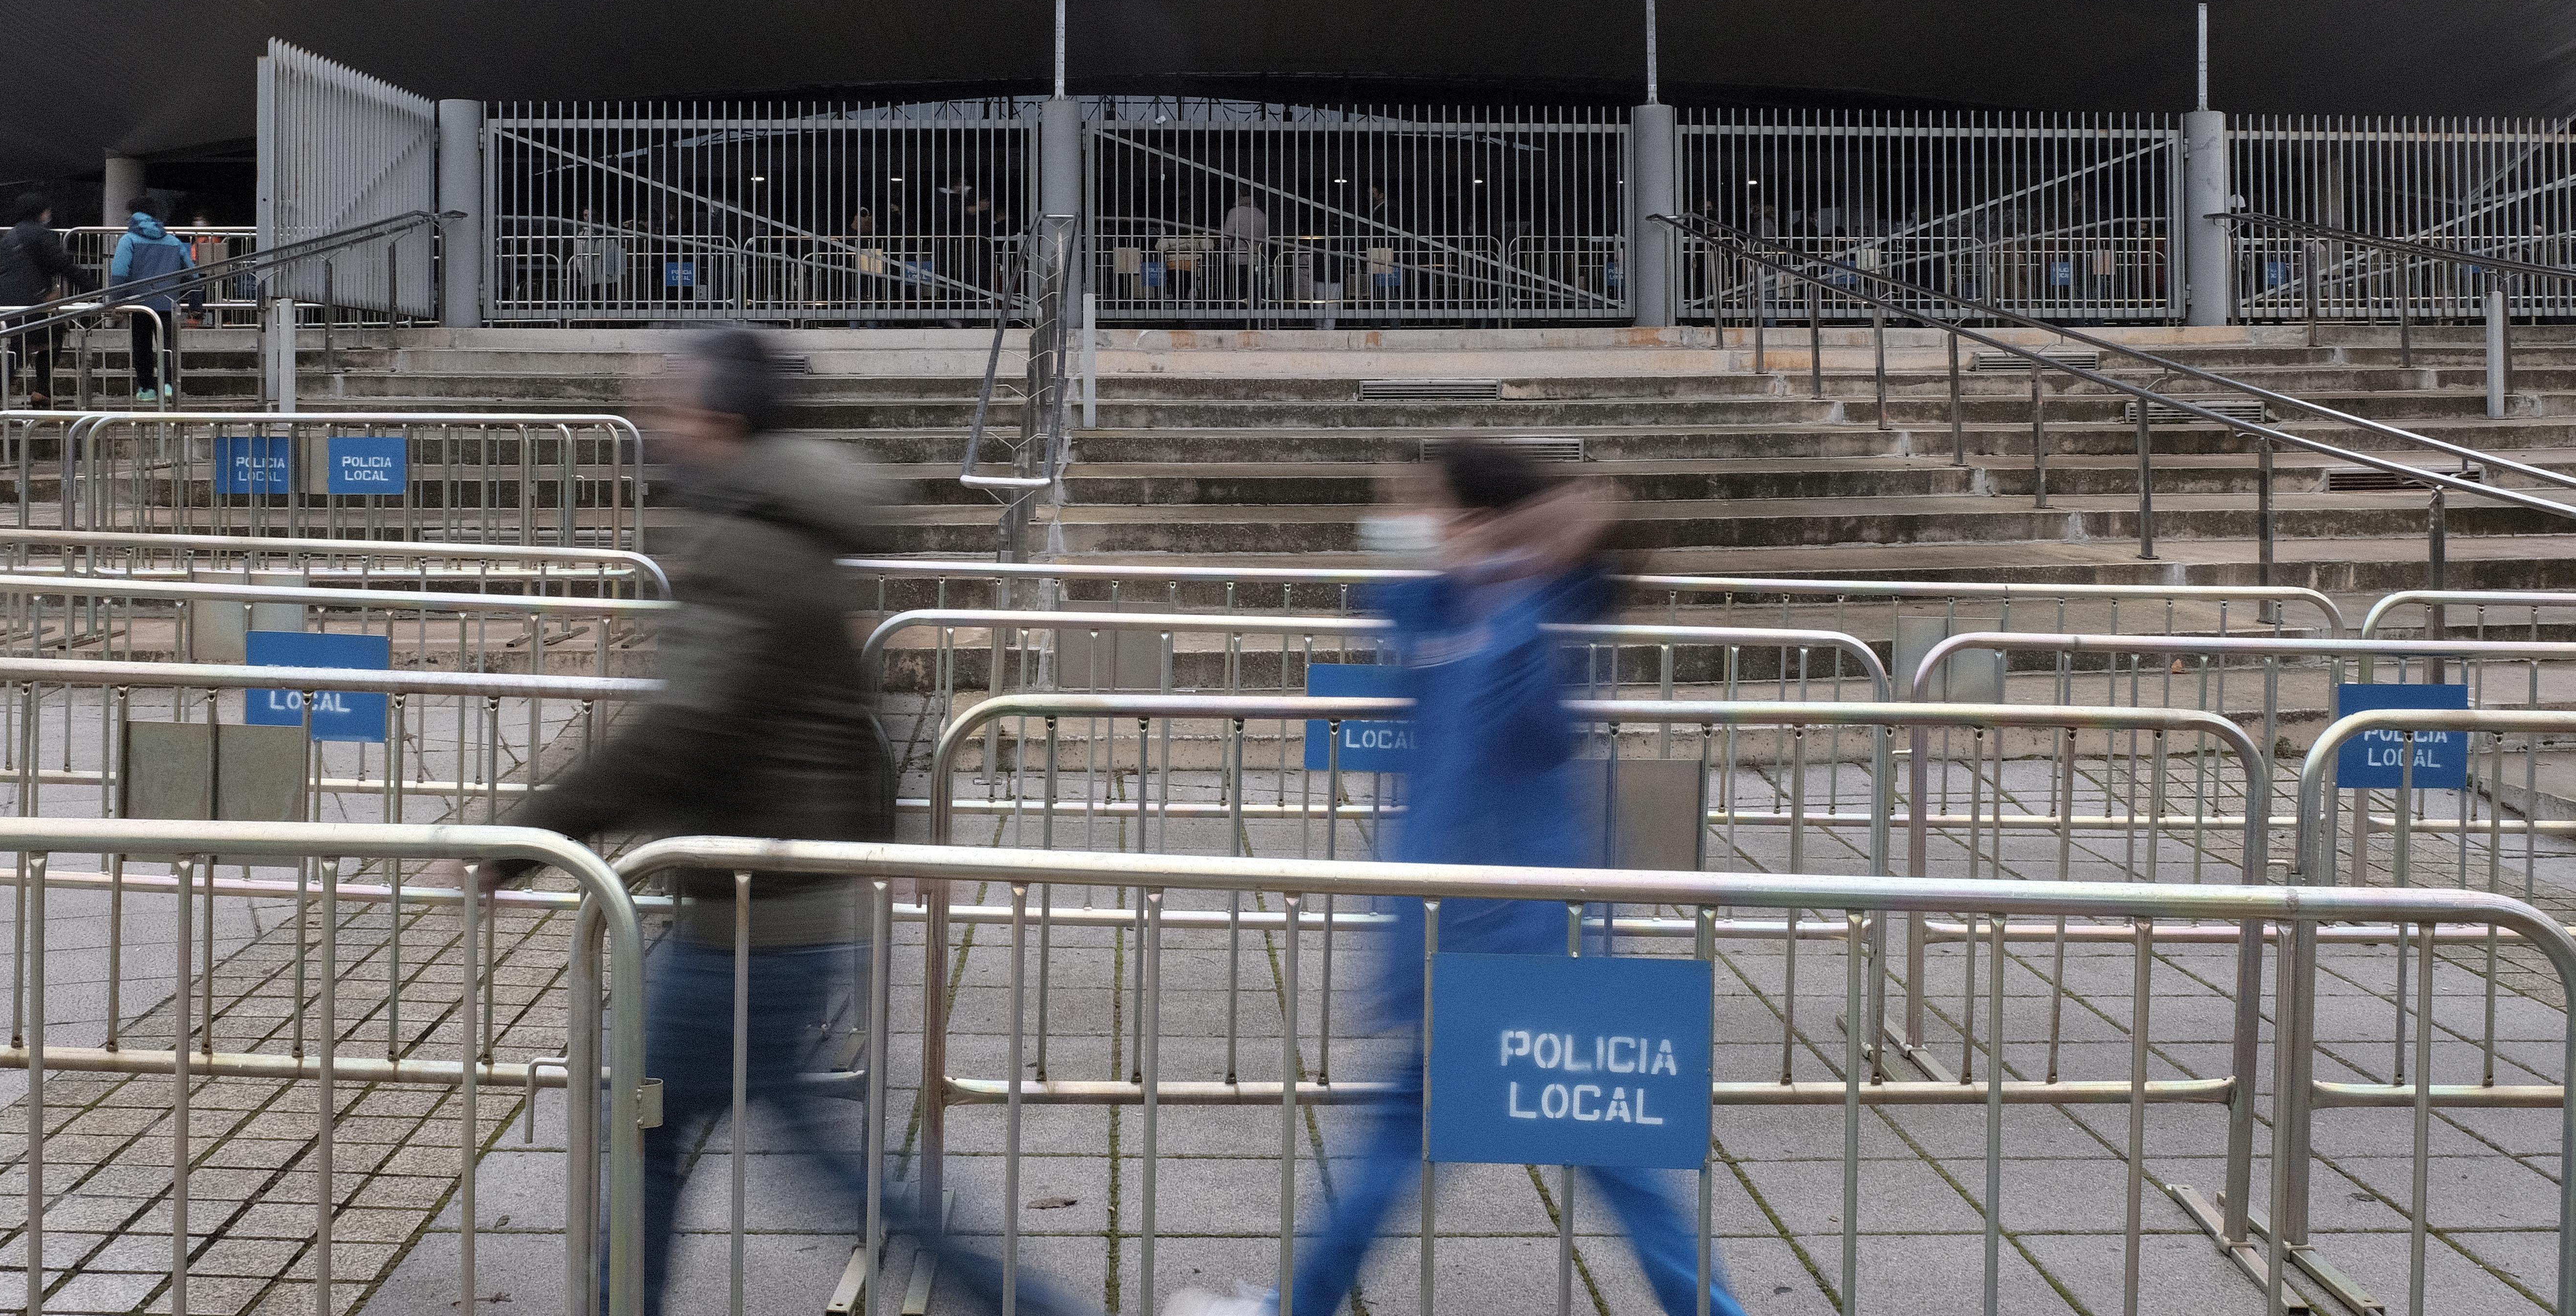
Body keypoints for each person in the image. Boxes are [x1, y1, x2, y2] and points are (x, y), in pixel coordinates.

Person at [448, 330, 1080, 1316]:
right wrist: (896, 844)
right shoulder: (795, 539)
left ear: (725, 424)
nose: (658, 427)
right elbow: (850, 719)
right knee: (805, 1153)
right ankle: (1029, 1301)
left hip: (746, 919)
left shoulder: (743, 551)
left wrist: (522, 835)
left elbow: (676, 735)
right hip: (781, 905)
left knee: (653, 1132)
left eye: (673, 409)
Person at [1170, 439, 1748, 1316]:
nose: (1409, 520)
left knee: (1579, 1154)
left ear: (1480, 518)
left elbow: (1546, 709)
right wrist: (1480, 552)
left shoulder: (1544, 617)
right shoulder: (1440, 606)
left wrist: (1536, 560)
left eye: (1426, 504)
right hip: (1461, 927)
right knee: (1561, 1157)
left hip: (1521, 934)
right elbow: (1393, 598)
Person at [0, 191, 85, 408]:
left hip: (8, 298)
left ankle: (40, 392)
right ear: (40, 212)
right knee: (35, 343)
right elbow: (63, 264)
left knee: (40, 338)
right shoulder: (40, 234)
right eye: (47, 210)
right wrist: (91, 286)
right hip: (31, 299)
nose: (49, 214)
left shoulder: (11, 236)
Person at [106, 198, 191, 401]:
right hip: (169, 303)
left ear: (133, 216)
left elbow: (119, 272)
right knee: (168, 345)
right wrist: (196, 302)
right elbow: (192, 273)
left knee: (142, 346)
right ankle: (168, 385)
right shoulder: (173, 241)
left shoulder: (129, 240)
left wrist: (117, 302)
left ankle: (147, 389)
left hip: (139, 303)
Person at [1220, 190, 1270, 310]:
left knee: (1238, 293)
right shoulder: (1262, 215)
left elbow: (1227, 238)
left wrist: (1226, 248)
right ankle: (1254, 320)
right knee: (1254, 293)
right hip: (1256, 260)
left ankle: (1239, 321)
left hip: (1238, 259)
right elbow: (1265, 241)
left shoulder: (1235, 212)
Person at [181, 213, 226, 326]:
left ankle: (197, 316)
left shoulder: (213, 238)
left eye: (201, 220)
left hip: (208, 271)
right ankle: (191, 315)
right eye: (196, 219)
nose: (198, 222)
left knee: (199, 283)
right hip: (193, 269)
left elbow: (216, 259)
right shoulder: (193, 238)